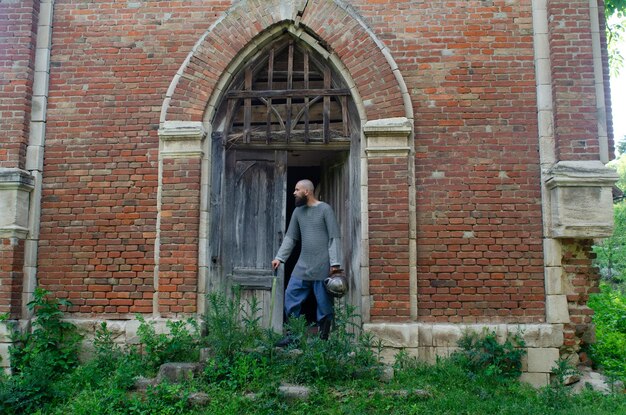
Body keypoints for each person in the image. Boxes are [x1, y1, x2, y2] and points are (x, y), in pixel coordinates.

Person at [271, 179, 342, 344]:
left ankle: (323, 340)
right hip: (302, 265)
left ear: (307, 192)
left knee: (324, 305)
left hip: (323, 265)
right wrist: (280, 258)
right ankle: (293, 336)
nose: (294, 192)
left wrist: (335, 264)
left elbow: (334, 238)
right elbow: (291, 238)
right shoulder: (298, 212)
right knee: (291, 297)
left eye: (297, 189)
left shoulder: (325, 209)